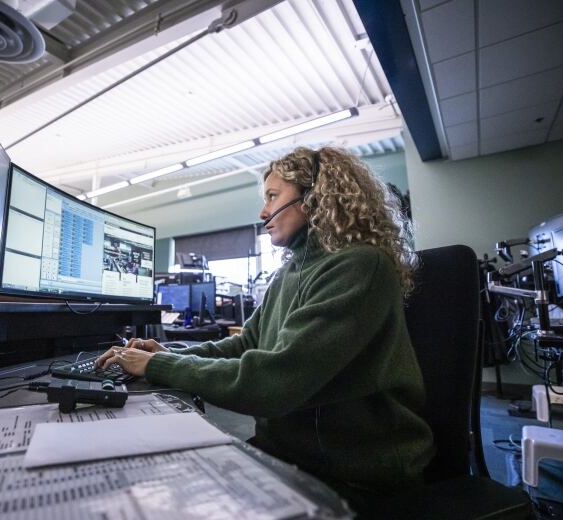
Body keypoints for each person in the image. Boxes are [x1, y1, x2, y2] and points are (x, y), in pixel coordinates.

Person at [96, 146, 434, 511]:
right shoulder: (290, 272)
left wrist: (159, 367)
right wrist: (168, 353)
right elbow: (244, 347)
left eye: (273, 196)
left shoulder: (360, 266)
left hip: (355, 473)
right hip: (289, 454)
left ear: (315, 196)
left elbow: (275, 380)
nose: (263, 211)